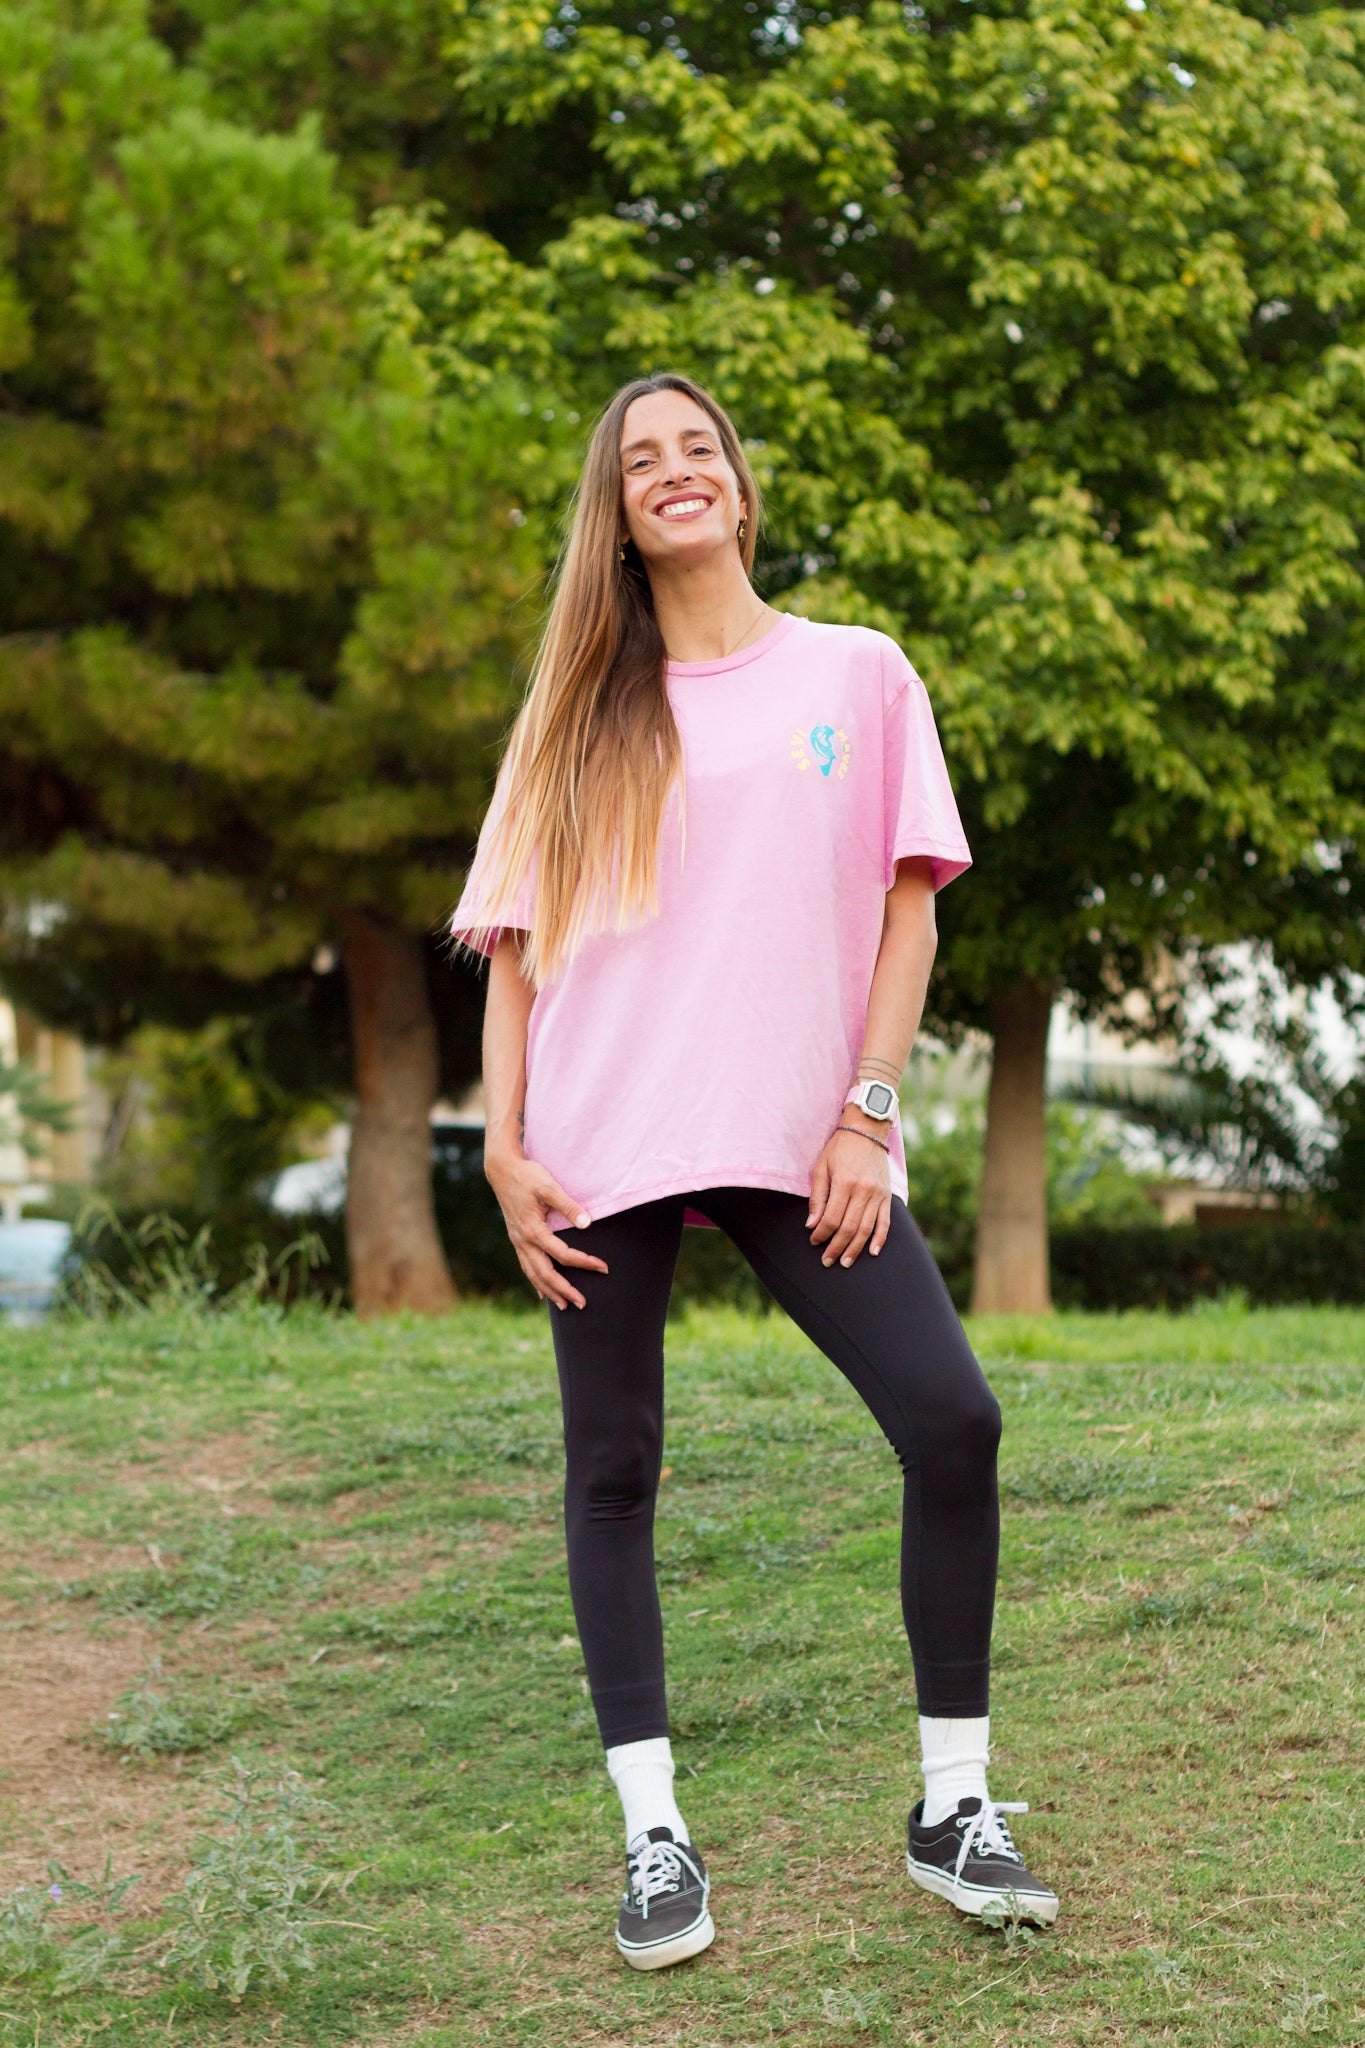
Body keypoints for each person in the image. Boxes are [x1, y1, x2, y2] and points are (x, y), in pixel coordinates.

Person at [452, 371, 1057, 1971]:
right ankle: (654, 1838)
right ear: (619, 508)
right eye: (640, 462)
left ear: (738, 481)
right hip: (603, 1142)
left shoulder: (856, 677)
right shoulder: (575, 709)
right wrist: (506, 1148)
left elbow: (909, 906)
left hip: (808, 1142)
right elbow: (514, 955)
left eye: (695, 449)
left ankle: (952, 1808)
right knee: (612, 1469)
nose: (673, 475)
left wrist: (865, 1112)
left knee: (952, 1418)